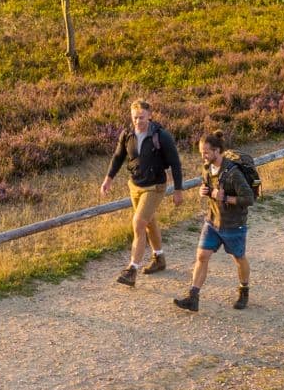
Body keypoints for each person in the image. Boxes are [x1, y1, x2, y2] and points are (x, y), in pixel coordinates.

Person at [99, 96, 184, 287]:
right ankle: (159, 258)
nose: (138, 121)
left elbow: (175, 164)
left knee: (138, 222)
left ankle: (132, 269)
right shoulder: (127, 135)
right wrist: (108, 179)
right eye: (135, 117)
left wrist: (178, 190)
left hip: (155, 186)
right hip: (135, 185)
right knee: (149, 222)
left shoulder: (161, 136)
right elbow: (118, 157)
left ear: (150, 116)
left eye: (142, 117)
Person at [174, 128, 258, 312]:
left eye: (206, 152)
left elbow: (249, 199)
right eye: (201, 152)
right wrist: (203, 191)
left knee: (238, 258)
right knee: (202, 256)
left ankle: (244, 290)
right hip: (212, 221)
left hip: (233, 224)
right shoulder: (206, 168)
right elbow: (209, 186)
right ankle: (193, 297)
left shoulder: (233, 173)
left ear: (217, 151)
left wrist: (225, 198)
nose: (202, 156)